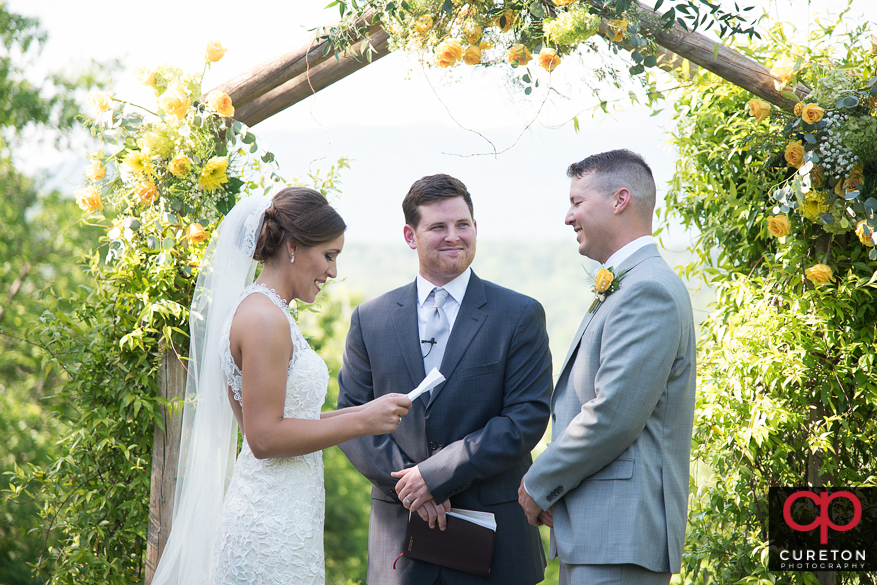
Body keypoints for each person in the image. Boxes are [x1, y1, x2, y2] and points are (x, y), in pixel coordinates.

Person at [150, 187, 412, 585]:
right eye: (329, 255)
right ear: (292, 245)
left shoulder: (263, 310)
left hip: (287, 516)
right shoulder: (264, 319)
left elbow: (289, 418)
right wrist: (362, 424)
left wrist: (366, 412)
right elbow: (264, 437)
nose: (333, 272)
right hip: (269, 528)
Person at [336, 174, 552, 585]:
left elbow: (526, 418)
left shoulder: (519, 315)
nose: (454, 236)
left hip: (496, 542)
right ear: (410, 235)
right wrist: (411, 487)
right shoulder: (371, 319)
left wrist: (434, 476)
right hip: (400, 543)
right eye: (438, 227)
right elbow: (352, 417)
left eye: (463, 225)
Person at [517, 150, 697, 585]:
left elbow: (612, 415)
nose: (568, 216)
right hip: (602, 534)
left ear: (620, 200)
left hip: (621, 535)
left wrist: (536, 483)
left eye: (578, 202)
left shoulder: (646, 290)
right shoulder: (631, 284)